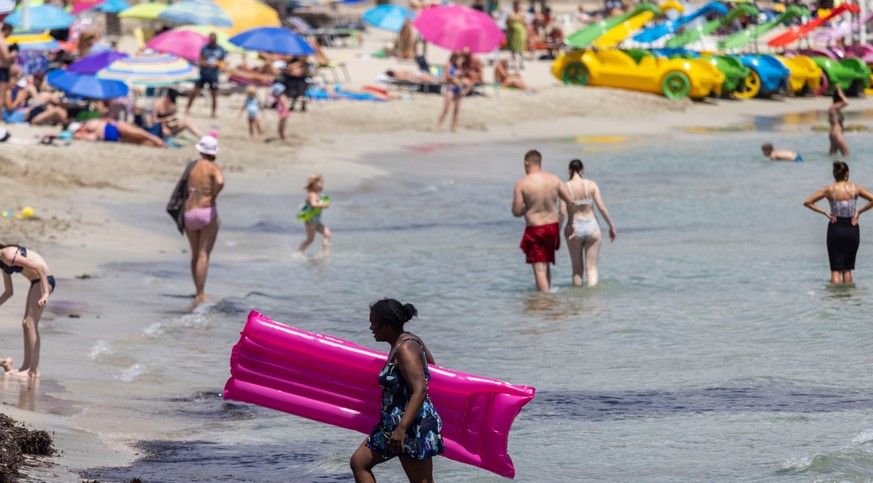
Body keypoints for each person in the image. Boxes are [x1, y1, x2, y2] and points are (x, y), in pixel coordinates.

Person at [349, 299, 445, 483]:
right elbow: (431, 366)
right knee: (359, 462)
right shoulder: (409, 340)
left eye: (374, 323)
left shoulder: (405, 349)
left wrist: (401, 429)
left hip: (411, 426)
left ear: (387, 326)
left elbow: (420, 388)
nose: (371, 328)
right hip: (393, 424)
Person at [512, 149, 575, 293]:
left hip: (536, 229)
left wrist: (523, 211)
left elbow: (516, 211)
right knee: (546, 264)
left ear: (526, 162)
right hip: (552, 228)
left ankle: (545, 303)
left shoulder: (522, 184)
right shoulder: (554, 179)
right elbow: (570, 202)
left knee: (539, 269)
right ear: (539, 162)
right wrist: (570, 223)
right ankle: (548, 296)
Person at [804, 161, 873, 284]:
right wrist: (859, 212)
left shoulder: (829, 190)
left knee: (835, 269)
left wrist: (825, 213)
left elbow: (808, 202)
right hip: (852, 227)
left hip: (835, 228)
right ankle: (848, 299)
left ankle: (835, 301)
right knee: (847, 269)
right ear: (847, 174)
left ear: (834, 174)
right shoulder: (855, 188)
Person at [0, 244, 55, 378]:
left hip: (44, 281)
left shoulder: (7, 254)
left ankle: (34, 370)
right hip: (35, 281)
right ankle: (26, 367)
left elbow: (39, 267)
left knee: (30, 323)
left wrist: (46, 294)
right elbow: (9, 292)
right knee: (26, 323)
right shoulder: (2, 262)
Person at [559, 159, 616, 287]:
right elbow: (601, 207)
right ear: (582, 171)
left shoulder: (564, 187)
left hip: (574, 227)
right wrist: (611, 226)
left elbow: (562, 213)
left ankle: (577, 303)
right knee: (592, 269)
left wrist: (557, 232)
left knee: (576, 271)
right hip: (592, 226)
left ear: (569, 171)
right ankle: (593, 302)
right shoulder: (591, 184)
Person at [185, 135, 224, 303]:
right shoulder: (214, 168)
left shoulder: (192, 167)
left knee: (194, 254)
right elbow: (221, 182)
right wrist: (213, 195)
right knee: (203, 255)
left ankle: (196, 291)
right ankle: (201, 293)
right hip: (205, 211)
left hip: (189, 212)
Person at [185, 33, 227, 118]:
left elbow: (222, 63)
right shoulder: (205, 48)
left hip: (213, 75)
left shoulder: (220, 49)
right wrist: (206, 64)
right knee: (194, 91)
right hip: (203, 73)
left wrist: (216, 65)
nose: (211, 42)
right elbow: (200, 60)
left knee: (214, 95)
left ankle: (213, 112)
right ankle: (187, 109)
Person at [435, 52, 471, 133]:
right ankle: (439, 125)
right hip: (450, 87)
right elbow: (447, 76)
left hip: (458, 88)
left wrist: (461, 75)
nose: (457, 59)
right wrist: (456, 75)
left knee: (456, 109)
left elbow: (462, 76)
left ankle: (454, 126)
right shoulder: (448, 65)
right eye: (457, 57)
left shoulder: (458, 65)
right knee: (446, 108)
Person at [298, 174, 331, 257]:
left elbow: (320, 204)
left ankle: (326, 255)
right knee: (310, 240)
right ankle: (298, 253)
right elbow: (313, 204)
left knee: (327, 234)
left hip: (317, 221)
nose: (322, 184)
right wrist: (324, 205)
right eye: (320, 182)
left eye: (323, 182)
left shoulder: (319, 195)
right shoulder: (312, 195)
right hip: (310, 221)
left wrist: (325, 203)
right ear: (313, 184)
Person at [71, 118, 166, 147]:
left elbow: (105, 119)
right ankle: (159, 144)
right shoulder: (84, 135)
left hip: (116, 127)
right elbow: (93, 138)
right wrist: (80, 135)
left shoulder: (89, 124)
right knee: (140, 141)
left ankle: (156, 139)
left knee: (138, 133)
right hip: (117, 137)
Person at [0, 24, 16, 122]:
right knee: (1, 96)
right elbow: (6, 57)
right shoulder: (2, 41)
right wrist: (14, 52)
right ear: (7, 30)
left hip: (3, 70)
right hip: (2, 70)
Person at [506, 1, 528, 69]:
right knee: (513, 49)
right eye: (515, 5)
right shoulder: (510, 14)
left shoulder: (522, 14)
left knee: (520, 48)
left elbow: (525, 24)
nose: (516, 6)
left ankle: (521, 63)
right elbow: (507, 23)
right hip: (512, 33)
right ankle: (514, 63)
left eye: (517, 5)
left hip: (520, 33)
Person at [829, 84, 849, 157]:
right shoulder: (833, 107)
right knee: (846, 154)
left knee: (832, 155)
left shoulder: (834, 108)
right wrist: (840, 93)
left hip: (834, 134)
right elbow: (846, 102)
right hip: (837, 133)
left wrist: (838, 91)